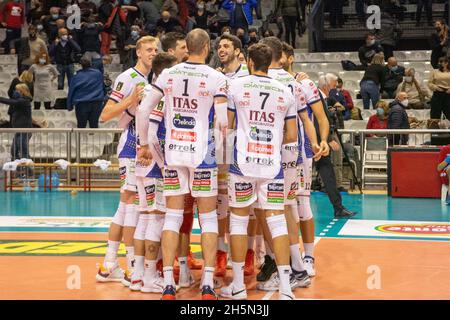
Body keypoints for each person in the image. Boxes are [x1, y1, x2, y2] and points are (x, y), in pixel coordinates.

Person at [136, 29, 228, 300]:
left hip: (175, 153)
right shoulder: (216, 77)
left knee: (173, 218)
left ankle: (167, 284)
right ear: (207, 47)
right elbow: (222, 122)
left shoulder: (168, 74)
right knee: (208, 218)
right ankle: (208, 284)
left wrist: (143, 144)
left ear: (186, 48)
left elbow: (143, 109)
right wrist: (221, 156)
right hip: (203, 155)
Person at [221, 43, 298, 300]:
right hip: (271, 165)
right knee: (277, 223)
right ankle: (286, 287)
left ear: (250, 62)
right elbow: (291, 135)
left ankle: (239, 285)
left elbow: (227, 126)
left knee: (239, 223)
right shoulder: (285, 90)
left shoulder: (236, 86)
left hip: (242, 164)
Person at [255, 37, 323, 290]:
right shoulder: (294, 83)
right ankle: (294, 265)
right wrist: (315, 144)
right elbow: (305, 120)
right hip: (291, 154)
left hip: (270, 153)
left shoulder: (262, 81)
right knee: (286, 209)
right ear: (280, 56)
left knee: (278, 211)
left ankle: (295, 268)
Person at [96, 36, 158, 287]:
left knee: (130, 204)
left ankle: (110, 263)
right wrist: (130, 101)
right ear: (138, 53)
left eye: (156, 49)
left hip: (144, 147)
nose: (153, 53)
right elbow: (105, 114)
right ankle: (131, 264)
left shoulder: (154, 78)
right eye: (148, 50)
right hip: (131, 144)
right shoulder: (127, 78)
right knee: (130, 203)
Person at [128, 52, 178, 294]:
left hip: (142, 161)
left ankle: (138, 274)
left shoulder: (148, 90)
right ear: (166, 72)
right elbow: (147, 120)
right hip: (153, 162)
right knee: (156, 218)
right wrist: (148, 146)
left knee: (146, 217)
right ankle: (149, 275)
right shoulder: (158, 94)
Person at [159, 31, 203, 285]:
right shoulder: (165, 77)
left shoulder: (188, 75)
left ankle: (183, 258)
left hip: (185, 152)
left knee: (186, 212)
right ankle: (155, 267)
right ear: (171, 52)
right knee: (162, 214)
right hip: (170, 153)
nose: (187, 51)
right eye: (182, 48)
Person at [214, 34, 252, 279]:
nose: (221, 49)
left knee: (244, 203)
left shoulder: (247, 77)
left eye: (226, 45)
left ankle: (248, 253)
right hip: (217, 145)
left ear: (238, 51)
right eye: (218, 46)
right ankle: (220, 253)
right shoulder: (214, 76)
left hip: (241, 145)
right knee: (219, 203)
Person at [67, 55, 105, 128]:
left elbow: (71, 91)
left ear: (80, 65)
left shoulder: (76, 76)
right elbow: (103, 87)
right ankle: (94, 139)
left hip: (81, 104)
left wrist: (69, 105)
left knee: (81, 126)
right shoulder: (98, 73)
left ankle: (81, 139)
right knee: (94, 124)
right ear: (91, 64)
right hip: (96, 103)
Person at [0, 84, 33, 161]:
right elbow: (11, 108)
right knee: (14, 151)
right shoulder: (18, 101)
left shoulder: (25, 101)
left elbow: (9, 102)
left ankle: (29, 171)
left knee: (23, 151)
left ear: (22, 91)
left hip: (25, 131)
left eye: (17, 90)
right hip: (18, 131)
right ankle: (18, 170)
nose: (15, 92)